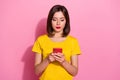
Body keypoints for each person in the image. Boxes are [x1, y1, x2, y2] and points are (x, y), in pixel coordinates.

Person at [32, 4, 82, 80]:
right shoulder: (41, 40)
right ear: (50, 21)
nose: (58, 23)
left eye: (62, 20)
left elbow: (74, 72)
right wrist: (47, 59)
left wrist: (63, 62)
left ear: (66, 21)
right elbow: (36, 71)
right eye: (54, 19)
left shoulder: (73, 41)